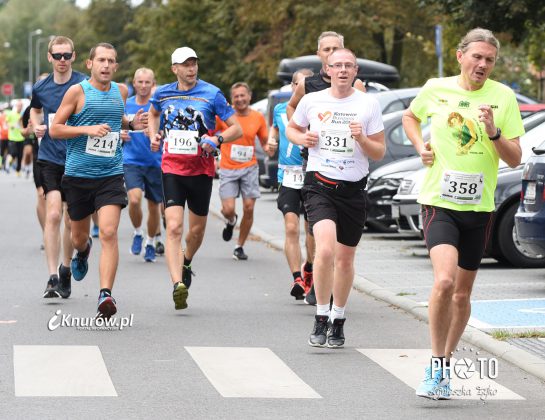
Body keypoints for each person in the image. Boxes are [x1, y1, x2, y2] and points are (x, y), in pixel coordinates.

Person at [402, 28, 524, 400]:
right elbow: (410, 117)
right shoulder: (436, 88)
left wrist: (493, 132)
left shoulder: (503, 97)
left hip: (479, 208)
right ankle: (436, 363)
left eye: (489, 60)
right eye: (477, 57)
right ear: (460, 56)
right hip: (439, 203)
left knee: (461, 295)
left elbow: (515, 158)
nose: (482, 64)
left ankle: (445, 362)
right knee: (444, 281)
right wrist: (420, 146)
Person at [286, 48, 385, 348]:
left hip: (353, 190)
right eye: (337, 65)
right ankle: (321, 314)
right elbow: (292, 128)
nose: (342, 70)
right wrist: (302, 138)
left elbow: (379, 151)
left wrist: (362, 139)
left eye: (348, 66)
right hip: (319, 186)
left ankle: (338, 318)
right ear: (327, 70)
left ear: (355, 71)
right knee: (325, 250)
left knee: (344, 259)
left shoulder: (368, 103)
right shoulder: (312, 100)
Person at [50, 42, 146, 318]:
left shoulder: (121, 91)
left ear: (116, 66)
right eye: (101, 60)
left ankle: (105, 294)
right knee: (78, 236)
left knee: (108, 232)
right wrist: (87, 129)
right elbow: (55, 129)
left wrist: (131, 124)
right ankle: (83, 252)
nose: (106, 65)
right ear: (90, 64)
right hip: (78, 176)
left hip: (110, 175)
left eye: (110, 61)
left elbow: (117, 119)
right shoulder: (77, 92)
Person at [149, 46, 242, 311]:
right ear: (174, 69)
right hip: (171, 168)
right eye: (185, 64)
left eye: (194, 63)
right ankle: (177, 284)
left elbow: (236, 128)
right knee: (174, 227)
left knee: (197, 230)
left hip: (201, 170)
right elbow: (153, 114)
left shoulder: (212, 93)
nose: (191, 69)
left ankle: (187, 260)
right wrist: (153, 135)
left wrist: (217, 139)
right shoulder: (163, 93)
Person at [286, 30, 366, 306]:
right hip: (315, 162)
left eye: (336, 48)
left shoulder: (357, 85)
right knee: (316, 227)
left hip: (349, 167)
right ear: (319, 54)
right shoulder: (308, 85)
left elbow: (366, 119)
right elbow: (292, 110)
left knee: (339, 236)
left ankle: (325, 276)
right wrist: (303, 135)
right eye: (327, 50)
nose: (332, 54)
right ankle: (316, 273)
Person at [30, 36, 87, 299]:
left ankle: (66, 268)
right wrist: (37, 126)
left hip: (77, 157)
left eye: (66, 55)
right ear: (49, 58)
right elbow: (35, 110)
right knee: (53, 214)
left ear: (73, 56)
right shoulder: (41, 87)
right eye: (57, 56)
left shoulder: (84, 84)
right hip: (50, 158)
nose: (62, 60)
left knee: (71, 221)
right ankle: (52, 277)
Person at [267, 68, 315, 300]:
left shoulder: (318, 108)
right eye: (299, 84)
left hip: (312, 174)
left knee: (311, 230)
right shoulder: (280, 109)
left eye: (307, 84)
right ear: (293, 86)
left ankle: (310, 269)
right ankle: (297, 278)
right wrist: (271, 141)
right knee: (291, 227)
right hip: (287, 176)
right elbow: (274, 131)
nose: (303, 88)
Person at [216, 82, 268, 260]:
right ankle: (231, 221)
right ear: (232, 99)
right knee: (228, 209)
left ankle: (239, 246)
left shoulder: (257, 117)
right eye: (236, 96)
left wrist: (269, 148)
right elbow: (210, 132)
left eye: (242, 95)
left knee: (249, 207)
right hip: (228, 168)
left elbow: (264, 141)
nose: (240, 99)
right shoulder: (224, 116)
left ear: (249, 96)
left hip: (249, 168)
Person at [122, 67, 164, 263]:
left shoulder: (158, 107)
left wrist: (157, 133)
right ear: (134, 83)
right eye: (140, 82)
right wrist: (121, 134)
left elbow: (167, 131)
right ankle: (138, 232)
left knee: (154, 206)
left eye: (148, 82)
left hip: (154, 161)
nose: (144, 85)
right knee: (134, 199)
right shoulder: (126, 104)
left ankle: (150, 242)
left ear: (153, 84)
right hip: (131, 160)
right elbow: (116, 126)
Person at [5, 100, 24, 175]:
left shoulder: (22, 115)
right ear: (16, 106)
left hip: (21, 138)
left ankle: (18, 170)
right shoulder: (11, 114)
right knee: (13, 153)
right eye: (18, 106)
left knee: (20, 155)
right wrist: (11, 125)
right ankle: (8, 162)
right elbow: (6, 123)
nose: (20, 107)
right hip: (12, 138)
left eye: (21, 106)